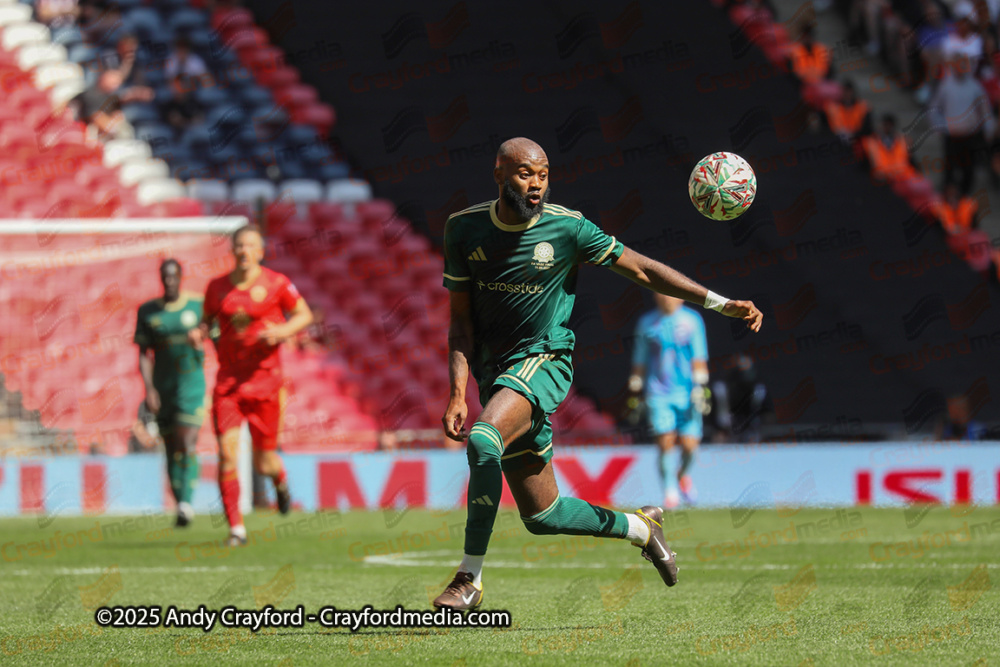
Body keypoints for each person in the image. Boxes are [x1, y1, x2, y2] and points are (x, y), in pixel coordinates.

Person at [434, 137, 763, 609]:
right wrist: (457, 392)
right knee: (544, 515)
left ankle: (469, 578)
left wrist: (717, 302)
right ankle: (642, 528)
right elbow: (460, 323)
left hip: (546, 359)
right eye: (526, 174)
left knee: (485, 439)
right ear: (499, 174)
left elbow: (642, 270)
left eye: (543, 175)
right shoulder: (463, 230)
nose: (536, 185)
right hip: (496, 373)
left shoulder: (568, 228)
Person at [189, 225, 313, 547]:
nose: (244, 251)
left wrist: (283, 333)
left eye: (250, 246)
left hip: (266, 382)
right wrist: (199, 332)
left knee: (263, 460)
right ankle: (236, 529)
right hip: (229, 384)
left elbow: (304, 315)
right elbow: (207, 321)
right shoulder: (216, 287)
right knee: (228, 456)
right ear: (232, 250)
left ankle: (280, 483)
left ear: (260, 251)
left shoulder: (277, 283)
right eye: (239, 245)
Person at [134, 259, 206, 527]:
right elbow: (143, 354)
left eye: (174, 276)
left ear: (181, 277)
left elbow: (214, 332)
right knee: (170, 447)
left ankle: (186, 501)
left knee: (187, 442)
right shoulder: (148, 311)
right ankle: (180, 504)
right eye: (166, 276)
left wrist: (203, 332)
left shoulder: (197, 306)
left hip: (191, 385)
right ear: (161, 278)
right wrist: (149, 389)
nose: (170, 281)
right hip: (163, 387)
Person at [629, 294, 709, 509]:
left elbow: (699, 357)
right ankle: (670, 493)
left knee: (690, 445)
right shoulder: (647, 323)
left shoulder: (692, 321)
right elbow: (640, 357)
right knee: (665, 442)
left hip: (687, 393)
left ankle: (682, 475)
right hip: (658, 393)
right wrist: (635, 385)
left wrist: (700, 387)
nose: (666, 298)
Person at [928, 55, 994, 195]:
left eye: (964, 65)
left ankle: (965, 197)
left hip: (970, 135)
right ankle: (947, 200)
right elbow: (934, 108)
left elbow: (985, 109)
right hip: (951, 135)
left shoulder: (975, 86)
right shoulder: (946, 85)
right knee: (950, 169)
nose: (961, 68)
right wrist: (940, 126)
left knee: (968, 169)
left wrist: (988, 130)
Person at [861, 113, 921, 183]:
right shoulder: (871, 142)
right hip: (881, 179)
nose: (888, 128)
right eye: (886, 125)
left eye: (890, 125)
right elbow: (865, 164)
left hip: (903, 178)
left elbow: (912, 161)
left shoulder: (904, 141)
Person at [824, 80, 872, 145]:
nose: (847, 94)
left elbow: (867, 128)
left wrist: (854, 134)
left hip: (857, 139)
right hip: (837, 139)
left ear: (853, 92)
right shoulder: (832, 107)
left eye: (849, 91)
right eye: (845, 91)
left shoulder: (863, 106)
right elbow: (827, 126)